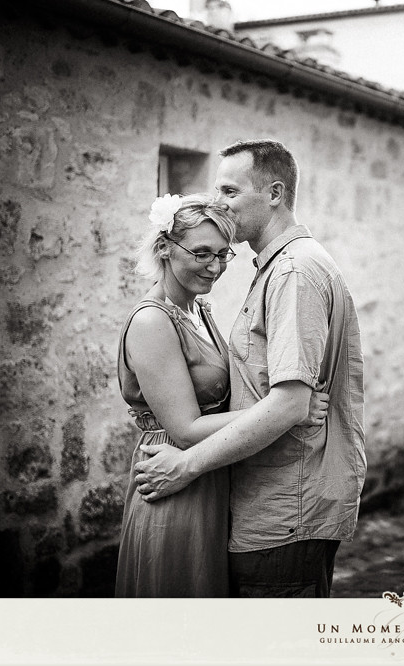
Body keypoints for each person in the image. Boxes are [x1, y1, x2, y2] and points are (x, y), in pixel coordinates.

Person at [133, 140, 366, 598]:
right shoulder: (278, 269)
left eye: (230, 191)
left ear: (275, 193)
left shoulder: (293, 273)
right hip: (268, 504)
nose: (220, 203)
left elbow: (288, 404)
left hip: (285, 508)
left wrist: (185, 467)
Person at [114, 192, 329, 597]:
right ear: (164, 248)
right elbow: (186, 427)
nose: (214, 267)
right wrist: (287, 410)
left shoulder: (200, 310)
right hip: (174, 480)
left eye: (222, 254)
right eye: (201, 253)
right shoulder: (151, 321)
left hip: (208, 473)